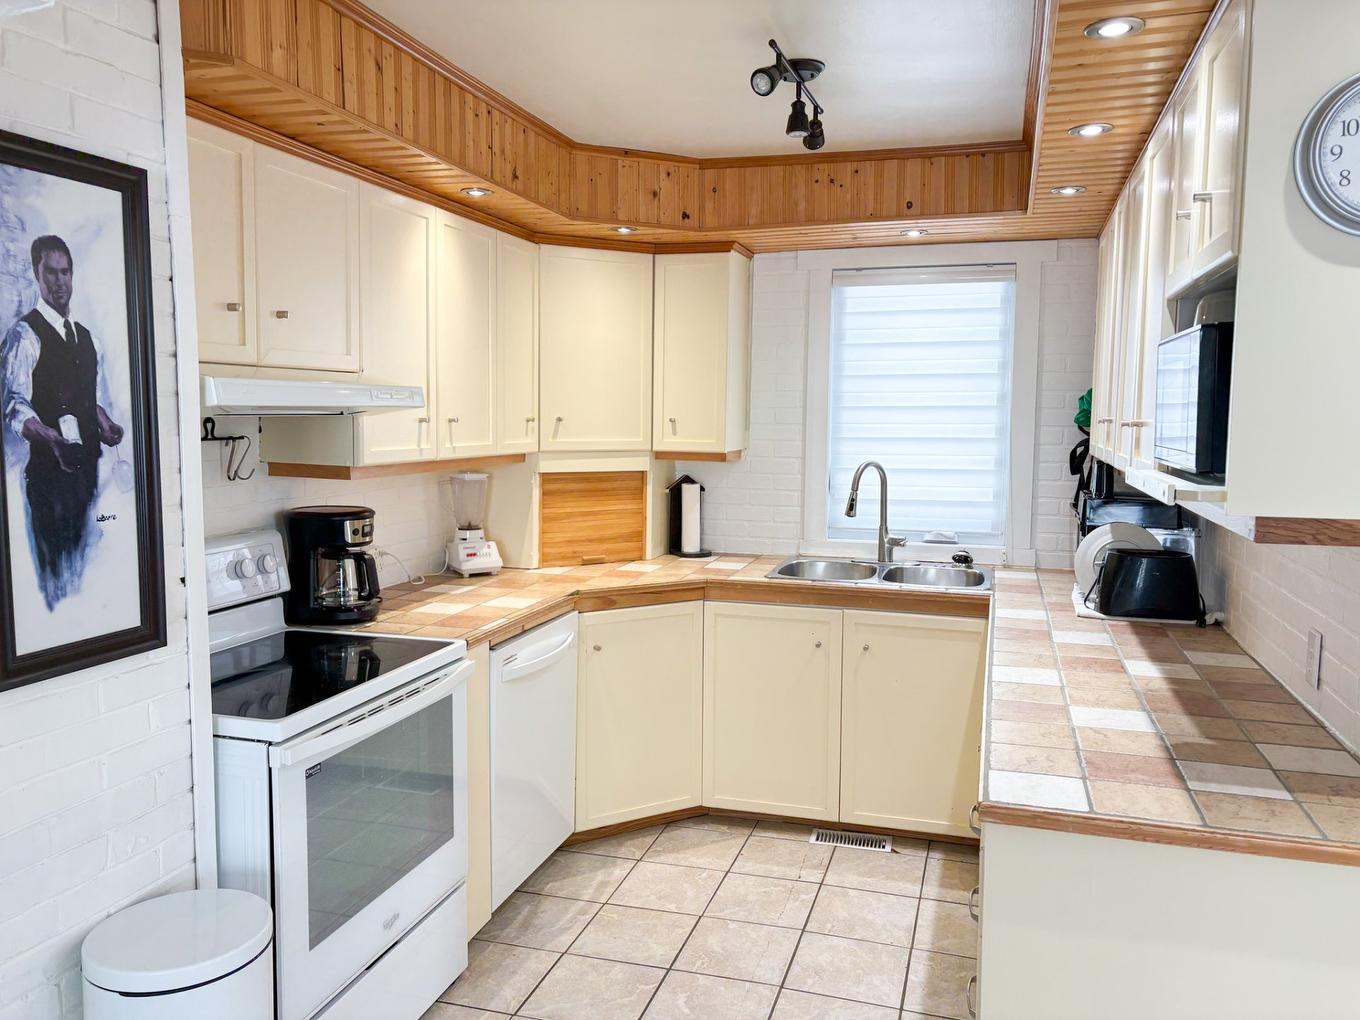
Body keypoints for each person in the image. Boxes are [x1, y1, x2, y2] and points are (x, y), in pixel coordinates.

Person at [1, 234, 124, 609]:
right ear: (37, 275)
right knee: (54, 578)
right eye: (51, 272)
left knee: (84, 573)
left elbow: (93, 401)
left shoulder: (89, 339)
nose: (59, 281)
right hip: (48, 480)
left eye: (65, 271)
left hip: (87, 476)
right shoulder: (24, 335)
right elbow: (13, 407)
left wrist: (106, 425)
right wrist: (51, 439)